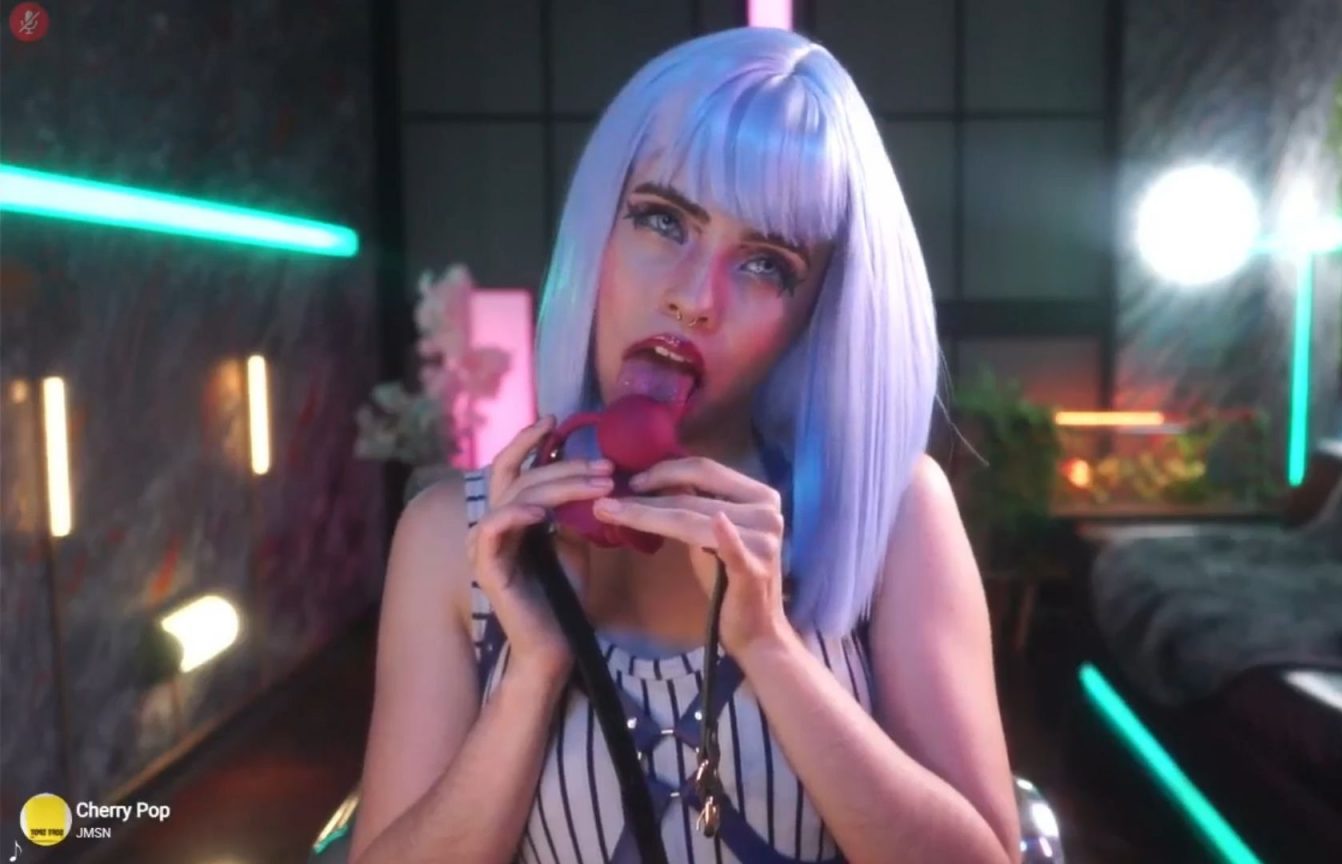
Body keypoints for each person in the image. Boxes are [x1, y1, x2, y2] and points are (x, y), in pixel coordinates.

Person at [349, 26, 1020, 864]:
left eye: (767, 264)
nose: (696, 299)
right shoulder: (450, 536)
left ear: (816, 313)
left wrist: (769, 646)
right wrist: (533, 674)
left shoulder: (888, 511)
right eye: (663, 221)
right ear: (598, 226)